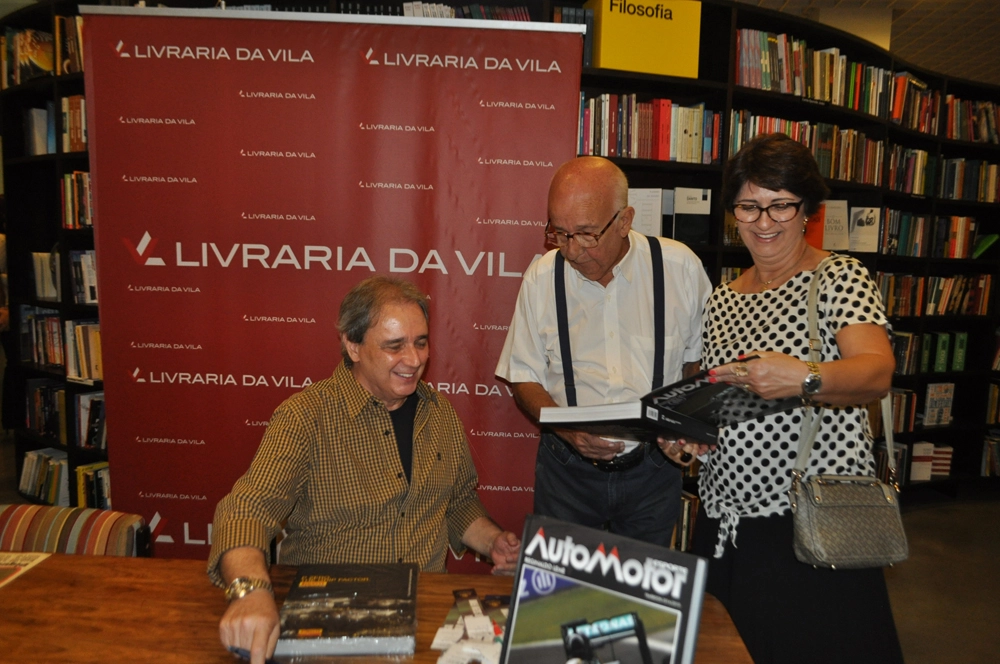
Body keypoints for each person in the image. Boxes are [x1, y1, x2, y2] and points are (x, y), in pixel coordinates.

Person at [208, 276, 521, 664]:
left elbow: (457, 502)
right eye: (394, 346)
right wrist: (250, 592)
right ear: (352, 345)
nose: (414, 359)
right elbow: (246, 511)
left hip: (424, 615)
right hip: (333, 619)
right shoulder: (305, 418)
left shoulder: (440, 413)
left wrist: (493, 543)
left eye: (420, 342)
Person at [685, 132, 903, 663]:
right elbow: (724, 399)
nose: (764, 222)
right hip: (726, 522)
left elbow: (876, 371)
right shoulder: (722, 300)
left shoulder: (838, 277)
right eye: (749, 206)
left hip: (808, 517)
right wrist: (691, 436)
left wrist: (804, 377)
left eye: (780, 204)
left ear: (806, 208)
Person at [495, 156, 712, 547]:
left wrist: (679, 428)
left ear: (625, 220)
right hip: (567, 472)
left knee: (643, 597)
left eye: (586, 234)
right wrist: (567, 428)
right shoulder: (543, 277)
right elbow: (523, 375)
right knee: (560, 599)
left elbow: (694, 365)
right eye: (559, 233)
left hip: (654, 470)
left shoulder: (680, 268)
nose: (573, 250)